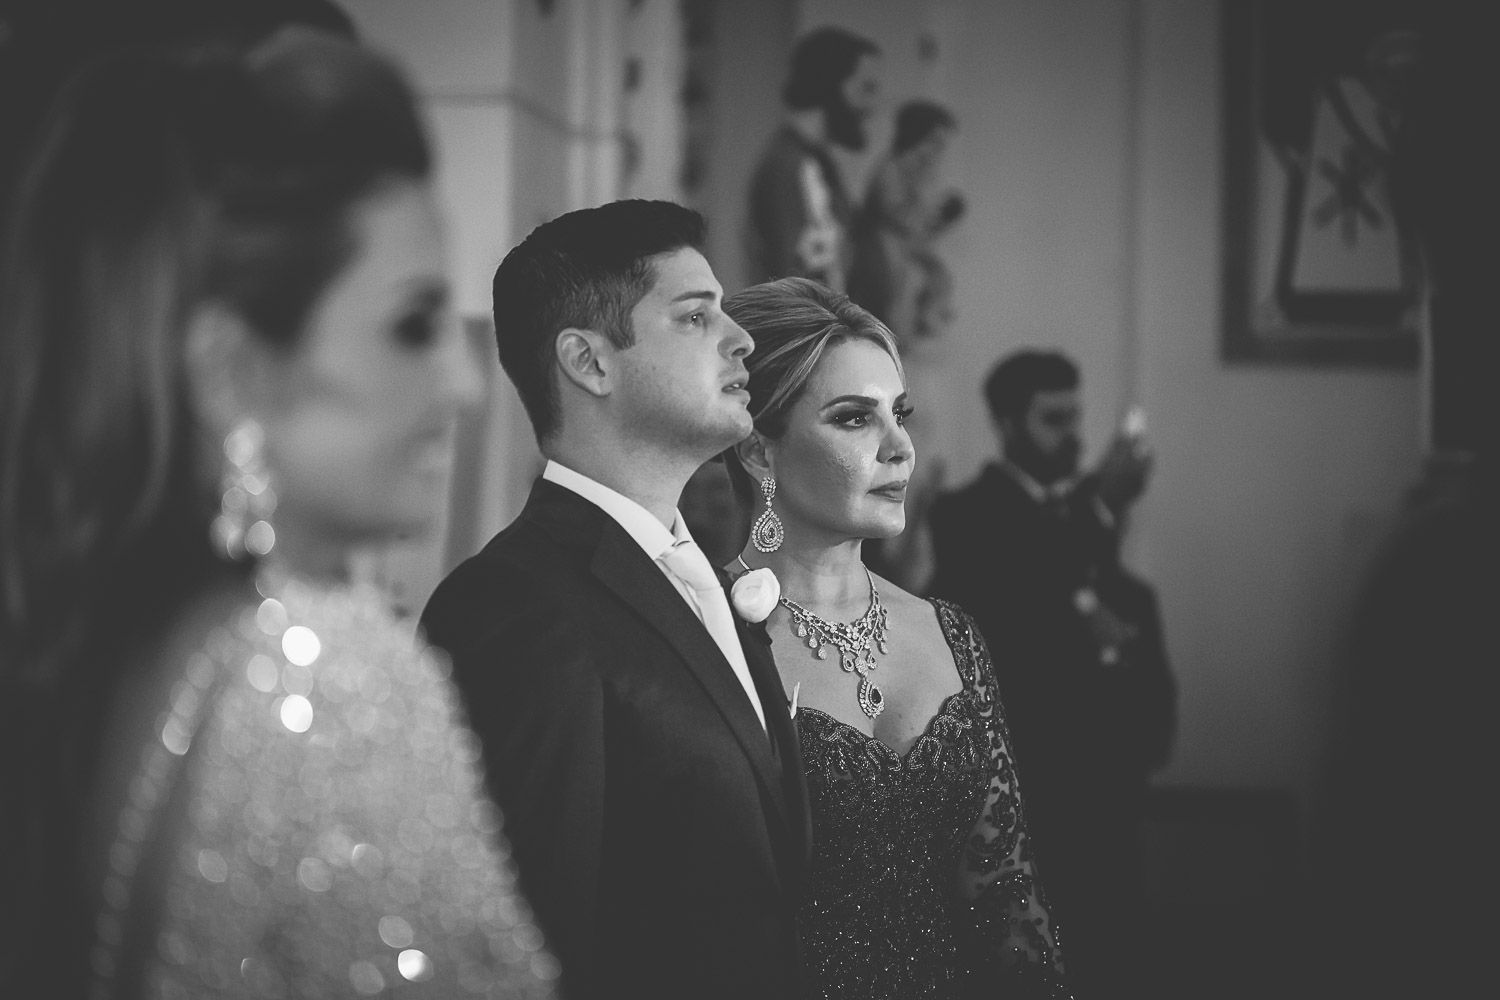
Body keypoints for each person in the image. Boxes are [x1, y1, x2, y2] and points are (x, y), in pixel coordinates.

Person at [0, 34, 559, 999]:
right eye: (412, 324)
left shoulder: (118, 657)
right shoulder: (327, 674)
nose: (464, 385)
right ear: (230, 371)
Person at [419, 200, 810, 1000]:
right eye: (696, 317)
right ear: (589, 363)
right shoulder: (513, 606)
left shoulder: (702, 575)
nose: (742, 339)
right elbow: (527, 944)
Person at [721, 277, 1070, 999]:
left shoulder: (952, 634)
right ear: (759, 452)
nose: (901, 448)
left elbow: (1009, 896)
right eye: (855, 419)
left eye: (899, 414)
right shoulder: (703, 634)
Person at [926, 349, 1176, 997]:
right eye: (1053, 419)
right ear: (1007, 424)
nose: (1073, 435)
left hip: (1106, 807)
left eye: (1076, 417)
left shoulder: (1082, 525)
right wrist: (1101, 508)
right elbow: (1022, 601)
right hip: (1020, 806)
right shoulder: (964, 516)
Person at [746, 25, 881, 292]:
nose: (871, 107)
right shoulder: (792, 166)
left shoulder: (815, 163)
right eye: (865, 88)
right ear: (831, 85)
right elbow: (795, 281)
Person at [847, 99, 966, 348]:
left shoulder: (920, 172)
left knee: (937, 274)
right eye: (934, 142)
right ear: (915, 136)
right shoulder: (891, 168)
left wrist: (940, 215)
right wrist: (926, 215)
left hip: (904, 246)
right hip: (882, 246)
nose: (937, 152)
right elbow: (895, 212)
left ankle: (925, 318)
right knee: (898, 293)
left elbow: (921, 220)